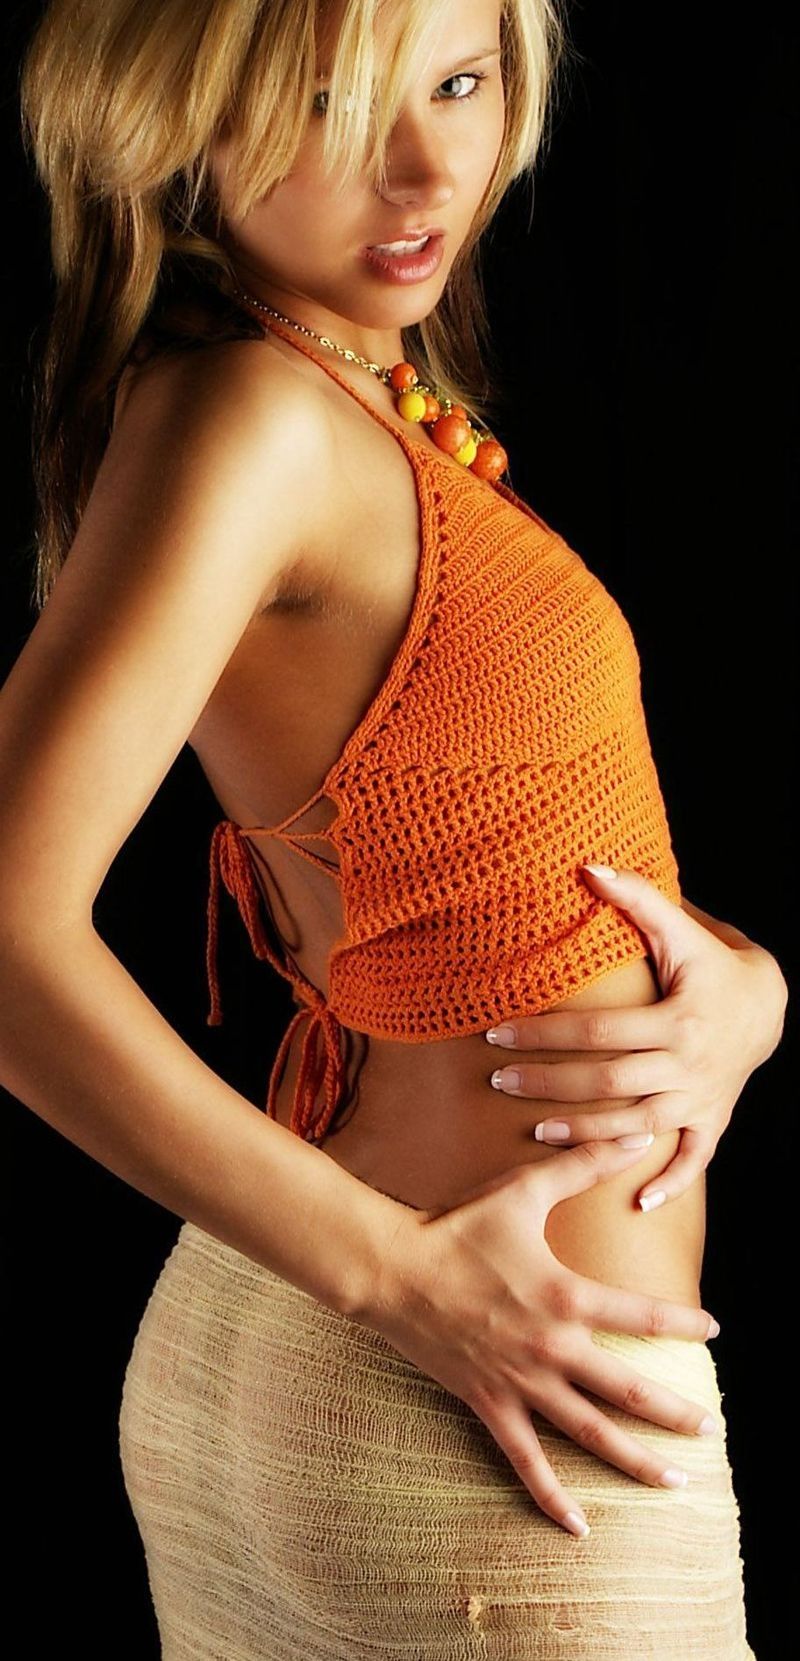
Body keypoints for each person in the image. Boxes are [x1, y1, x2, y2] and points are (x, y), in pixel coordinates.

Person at [3, 0, 786, 1654]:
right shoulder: (256, 421)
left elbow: (471, 853)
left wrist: (744, 986)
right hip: (488, 1419)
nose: (429, 164)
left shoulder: (346, 387)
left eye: (463, 80)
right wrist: (398, 1281)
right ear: (176, 116)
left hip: (366, 1375)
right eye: (329, 106)